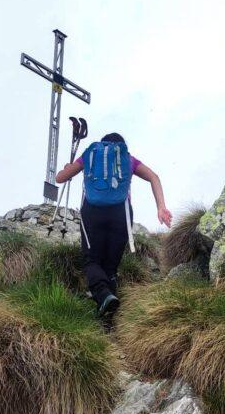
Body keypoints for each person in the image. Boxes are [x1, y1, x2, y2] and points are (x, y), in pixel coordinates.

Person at [56, 132, 172, 314]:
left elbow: (60, 178)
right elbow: (153, 177)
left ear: (102, 145)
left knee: (92, 261)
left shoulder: (89, 154)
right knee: (111, 266)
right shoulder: (128, 158)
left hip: (92, 213)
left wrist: (67, 168)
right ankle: (110, 319)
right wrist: (161, 207)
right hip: (121, 214)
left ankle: (103, 295)